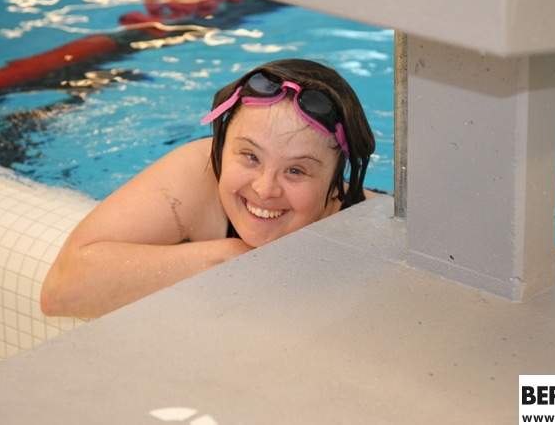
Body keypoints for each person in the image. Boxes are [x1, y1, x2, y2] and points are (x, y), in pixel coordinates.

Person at [40, 58, 376, 318]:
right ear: (221, 146)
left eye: (295, 170)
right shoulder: (200, 172)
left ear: (336, 183)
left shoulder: (367, 235)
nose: (264, 188)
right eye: (250, 156)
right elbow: (61, 290)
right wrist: (229, 258)